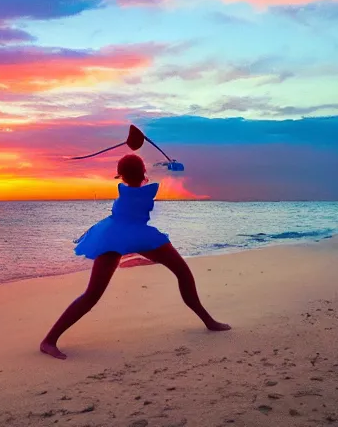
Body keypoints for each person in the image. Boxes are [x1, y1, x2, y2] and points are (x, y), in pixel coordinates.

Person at [40, 154, 231, 360]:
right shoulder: (143, 191)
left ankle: (49, 340)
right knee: (183, 273)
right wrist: (170, 164)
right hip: (132, 235)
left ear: (120, 175)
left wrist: (158, 167)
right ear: (142, 172)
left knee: (92, 294)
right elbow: (161, 176)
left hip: (115, 234)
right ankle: (208, 321)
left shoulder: (127, 189)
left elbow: (148, 177)